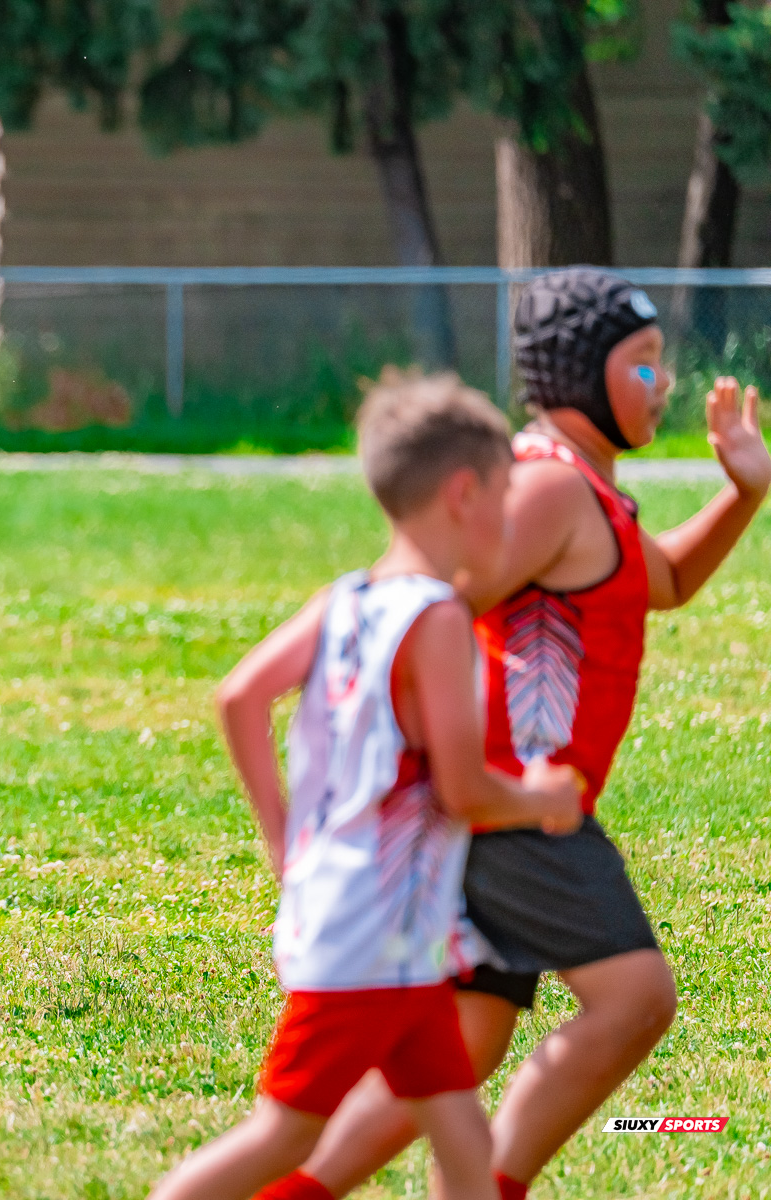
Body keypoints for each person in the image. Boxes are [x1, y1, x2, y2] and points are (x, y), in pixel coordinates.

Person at [256, 269, 771, 1200]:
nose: (665, 385)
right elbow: (425, 601)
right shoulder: (545, 489)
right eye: (644, 366)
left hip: (507, 802)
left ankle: (296, 1192)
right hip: (513, 803)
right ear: (580, 370)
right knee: (635, 1000)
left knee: (468, 1040)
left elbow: (663, 582)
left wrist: (743, 494)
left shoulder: (584, 492)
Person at [148, 371, 585, 1200]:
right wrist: (544, 800)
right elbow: (463, 791)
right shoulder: (442, 618)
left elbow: (240, 697)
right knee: (285, 1135)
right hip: (371, 938)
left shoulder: (346, 600)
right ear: (464, 494)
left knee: (460, 1134)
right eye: (504, 495)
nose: (510, 518)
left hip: (395, 931)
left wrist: (282, 839)